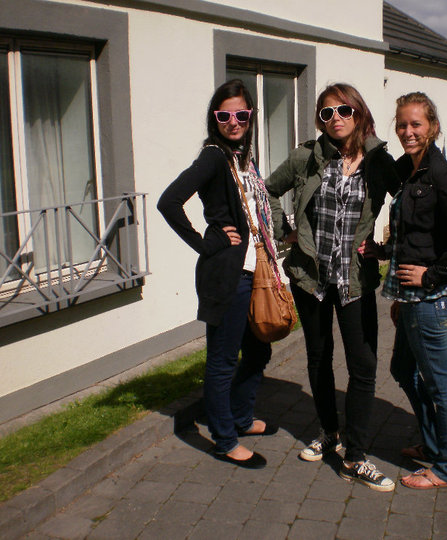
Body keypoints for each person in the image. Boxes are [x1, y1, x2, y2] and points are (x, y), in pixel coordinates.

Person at [264, 83, 399, 491]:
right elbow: (267, 191)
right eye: (327, 113)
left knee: (363, 366)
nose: (336, 118)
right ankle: (329, 433)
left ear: (359, 113)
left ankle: (355, 457)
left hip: (354, 280)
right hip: (312, 279)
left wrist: (389, 247)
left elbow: (412, 202)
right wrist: (284, 230)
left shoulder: (379, 161)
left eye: (344, 110)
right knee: (319, 358)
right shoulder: (306, 158)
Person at [362, 92, 447, 489]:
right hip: (411, 297)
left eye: (416, 124)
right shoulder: (409, 168)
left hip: (430, 299)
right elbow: (412, 232)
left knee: (440, 385)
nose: (408, 131)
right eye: (402, 124)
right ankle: (432, 444)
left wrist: (431, 276)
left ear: (432, 127)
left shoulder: (440, 174)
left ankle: (446, 467)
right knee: (402, 370)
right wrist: (382, 252)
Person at [157, 79, 280, 469]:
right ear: (215, 119)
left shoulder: (242, 158)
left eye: (241, 114)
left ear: (250, 116)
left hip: (252, 273)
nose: (234, 122)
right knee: (223, 360)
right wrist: (205, 242)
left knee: (258, 350)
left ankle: (240, 418)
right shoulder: (213, 157)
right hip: (227, 275)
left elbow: (253, 212)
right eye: (224, 116)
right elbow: (169, 201)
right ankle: (225, 440)